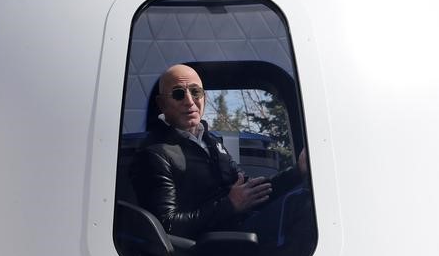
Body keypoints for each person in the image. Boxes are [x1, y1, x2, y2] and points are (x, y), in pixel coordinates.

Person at [130, 64, 307, 241]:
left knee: (304, 200)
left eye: (195, 92)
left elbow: (251, 192)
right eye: (178, 94)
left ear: (204, 98)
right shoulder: (153, 153)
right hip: (212, 248)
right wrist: (230, 205)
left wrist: (298, 171)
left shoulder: (211, 142)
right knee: (301, 208)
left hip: (242, 230)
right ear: (162, 104)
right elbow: (165, 224)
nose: (190, 101)